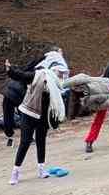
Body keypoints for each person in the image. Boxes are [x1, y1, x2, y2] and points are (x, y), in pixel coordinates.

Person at [12, 50, 70, 183]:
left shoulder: (58, 84)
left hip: (43, 117)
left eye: (63, 73)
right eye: (60, 72)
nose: (62, 75)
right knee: (25, 142)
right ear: (53, 70)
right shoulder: (39, 75)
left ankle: (41, 170)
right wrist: (10, 70)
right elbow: (21, 75)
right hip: (29, 113)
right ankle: (15, 172)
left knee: (41, 141)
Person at [64, 71, 109, 156]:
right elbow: (74, 103)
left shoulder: (85, 87)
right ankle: (90, 142)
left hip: (108, 93)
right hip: (104, 90)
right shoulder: (82, 85)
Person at [0, 56, 38, 145]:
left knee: (8, 116)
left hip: (7, 92)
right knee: (24, 117)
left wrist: (10, 67)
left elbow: (15, 70)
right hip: (19, 95)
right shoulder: (33, 74)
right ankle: (28, 138)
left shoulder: (23, 69)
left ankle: (10, 137)